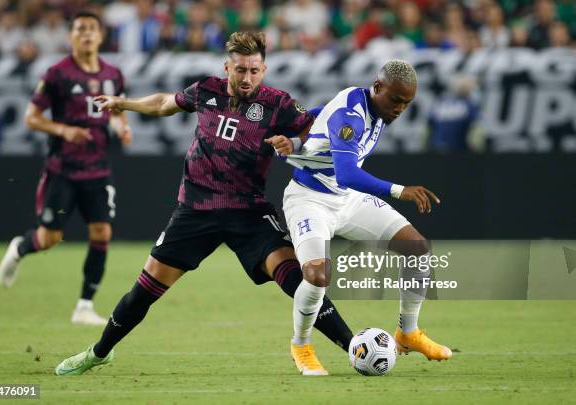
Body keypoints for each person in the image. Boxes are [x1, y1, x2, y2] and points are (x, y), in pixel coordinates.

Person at [54, 31, 353, 376]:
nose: (247, 78)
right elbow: (165, 104)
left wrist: (296, 144)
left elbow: (315, 129)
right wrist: (126, 104)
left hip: (249, 210)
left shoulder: (278, 103)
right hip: (195, 210)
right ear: (227, 67)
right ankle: (98, 353)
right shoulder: (206, 89)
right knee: (144, 292)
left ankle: (352, 346)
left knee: (297, 279)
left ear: (264, 69)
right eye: (240, 70)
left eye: (255, 71)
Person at [282, 60, 452, 375]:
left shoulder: (372, 106)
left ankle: (408, 333)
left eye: (406, 103)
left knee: (417, 248)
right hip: (309, 201)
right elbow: (346, 174)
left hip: (347, 201)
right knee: (318, 276)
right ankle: (301, 345)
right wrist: (400, 190)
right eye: (395, 100)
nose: (400, 109)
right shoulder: (351, 117)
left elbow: (322, 112)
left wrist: (299, 137)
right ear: (377, 88)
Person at [0, 11, 133, 326]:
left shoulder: (114, 74)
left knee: (102, 232)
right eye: (80, 29)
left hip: (98, 170)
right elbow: (31, 117)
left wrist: (121, 126)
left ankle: (84, 306)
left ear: (100, 36)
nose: (86, 34)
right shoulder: (58, 74)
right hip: (63, 170)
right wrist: (63, 130)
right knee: (49, 239)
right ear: (71, 36)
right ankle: (20, 247)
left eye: (92, 29)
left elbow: (115, 111)